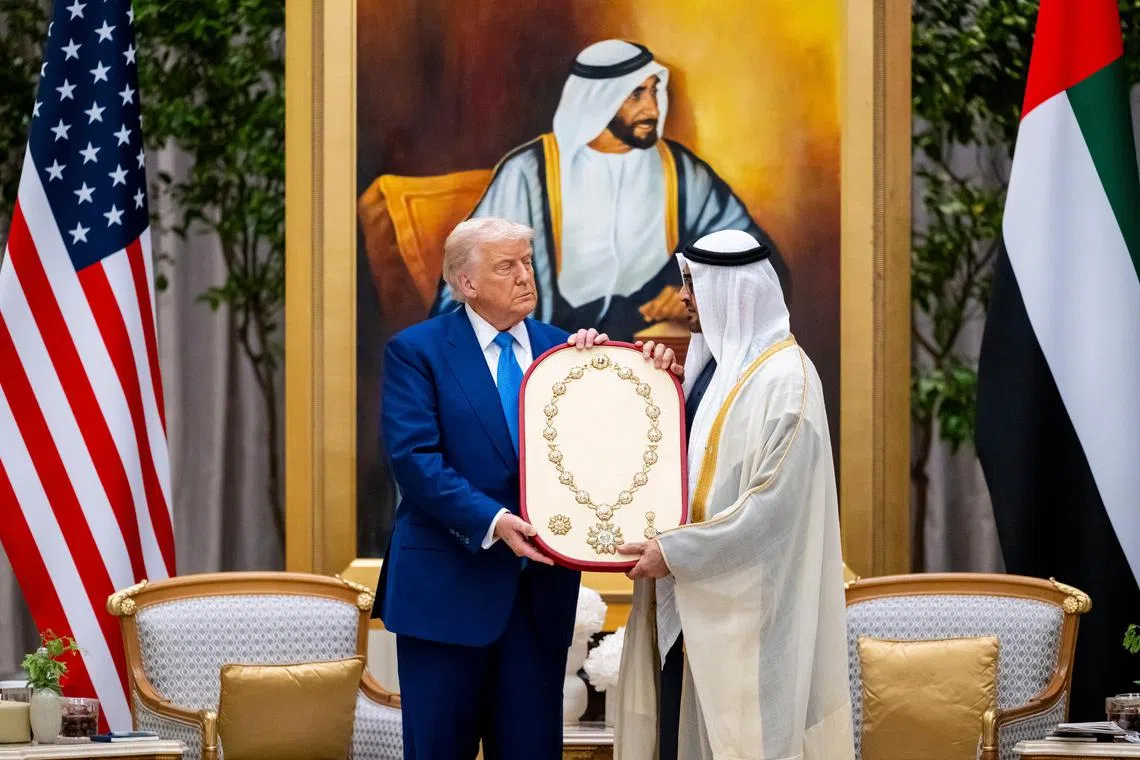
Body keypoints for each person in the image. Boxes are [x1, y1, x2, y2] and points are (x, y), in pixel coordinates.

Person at [373, 217, 681, 760]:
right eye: (507, 266)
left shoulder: (567, 351)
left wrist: (653, 373)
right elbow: (414, 461)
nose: (525, 277)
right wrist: (493, 521)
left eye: (528, 262)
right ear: (467, 284)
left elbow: (614, 448)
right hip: (444, 597)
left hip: (538, 601)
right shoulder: (416, 351)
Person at [612, 229, 853, 760]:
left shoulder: (787, 381)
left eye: (694, 285)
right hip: (690, 609)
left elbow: (771, 510)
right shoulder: (713, 372)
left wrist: (675, 551)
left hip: (747, 622)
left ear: (734, 290)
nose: (683, 299)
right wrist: (653, 390)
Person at [429, 39, 789, 339]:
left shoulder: (679, 170)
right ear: (596, 100)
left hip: (649, 353)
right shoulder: (530, 171)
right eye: (635, 95)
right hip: (547, 349)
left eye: (654, 91)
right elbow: (467, 277)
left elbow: (753, 257)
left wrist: (693, 291)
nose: (652, 107)